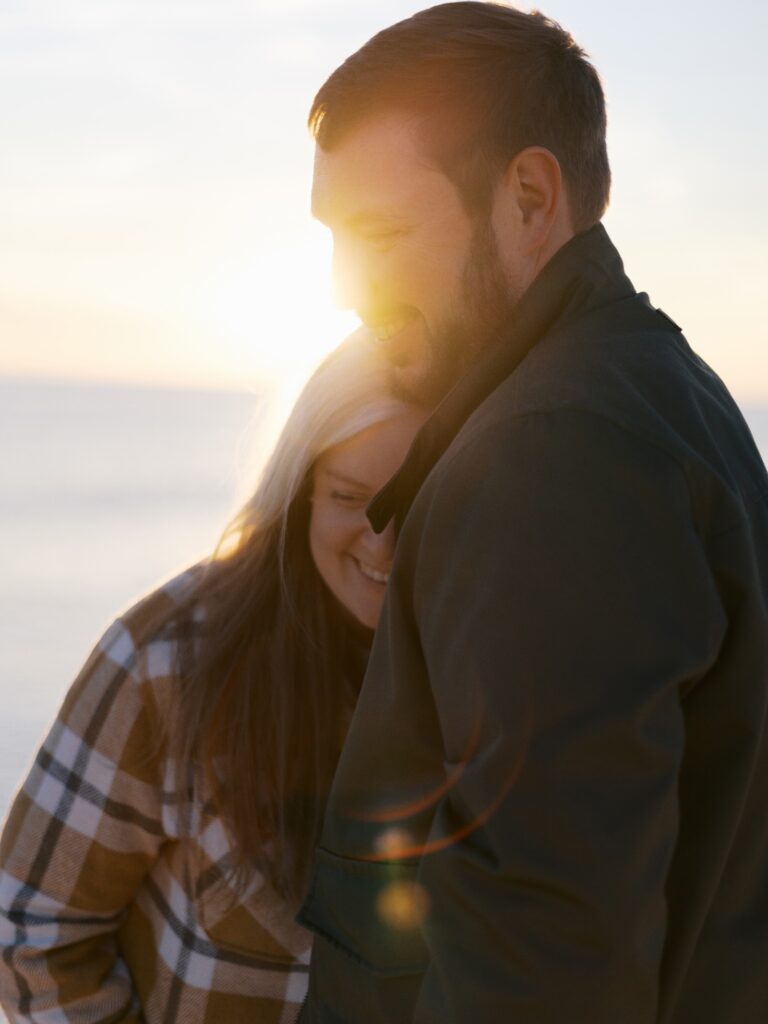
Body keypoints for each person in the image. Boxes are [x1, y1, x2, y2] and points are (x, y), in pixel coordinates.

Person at [296, 4, 768, 1022]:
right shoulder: (663, 387)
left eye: (377, 233)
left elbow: (544, 953)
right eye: (333, 240)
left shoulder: (549, 452)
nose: (343, 288)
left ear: (529, 195)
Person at [0, 331, 427, 1023]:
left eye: (418, 502)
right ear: (301, 491)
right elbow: (27, 931)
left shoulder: (490, 670)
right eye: (350, 496)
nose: (383, 543)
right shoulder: (166, 663)